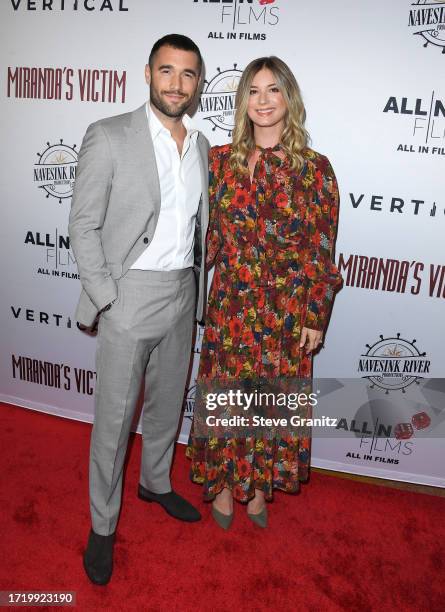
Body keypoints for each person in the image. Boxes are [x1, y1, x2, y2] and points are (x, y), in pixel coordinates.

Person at [69, 34, 209, 585]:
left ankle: (155, 482)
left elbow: (200, 228)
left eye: (188, 74)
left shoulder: (200, 145)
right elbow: (83, 225)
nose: (177, 83)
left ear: (198, 83)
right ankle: (103, 525)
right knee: (113, 422)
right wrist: (109, 297)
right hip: (129, 295)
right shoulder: (108, 136)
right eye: (167, 71)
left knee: (167, 404)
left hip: (182, 292)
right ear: (148, 73)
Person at [186, 56, 342, 529]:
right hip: (231, 304)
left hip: (286, 311)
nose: (263, 101)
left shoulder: (315, 169)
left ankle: (258, 487)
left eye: (273, 90)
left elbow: (322, 245)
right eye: (253, 91)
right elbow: (202, 240)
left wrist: (316, 313)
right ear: (243, 102)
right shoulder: (219, 161)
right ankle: (225, 484)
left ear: (288, 98)